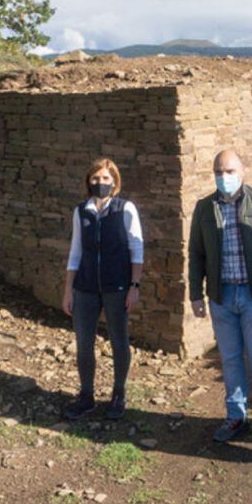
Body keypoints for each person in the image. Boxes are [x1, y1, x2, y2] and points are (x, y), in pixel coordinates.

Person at [189, 149, 252, 442]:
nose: (224, 177)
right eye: (219, 172)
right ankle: (235, 416)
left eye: (230, 171)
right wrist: (196, 294)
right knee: (230, 358)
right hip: (221, 296)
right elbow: (195, 254)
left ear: (242, 172)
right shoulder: (204, 208)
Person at [62, 157, 144, 421]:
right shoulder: (81, 211)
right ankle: (86, 396)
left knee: (119, 341)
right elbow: (76, 251)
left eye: (106, 179)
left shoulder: (125, 209)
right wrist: (68, 290)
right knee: (84, 343)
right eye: (96, 178)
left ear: (115, 182)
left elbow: (137, 249)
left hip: (117, 286)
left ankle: (118, 394)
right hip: (85, 287)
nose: (101, 183)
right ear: (89, 180)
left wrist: (134, 285)